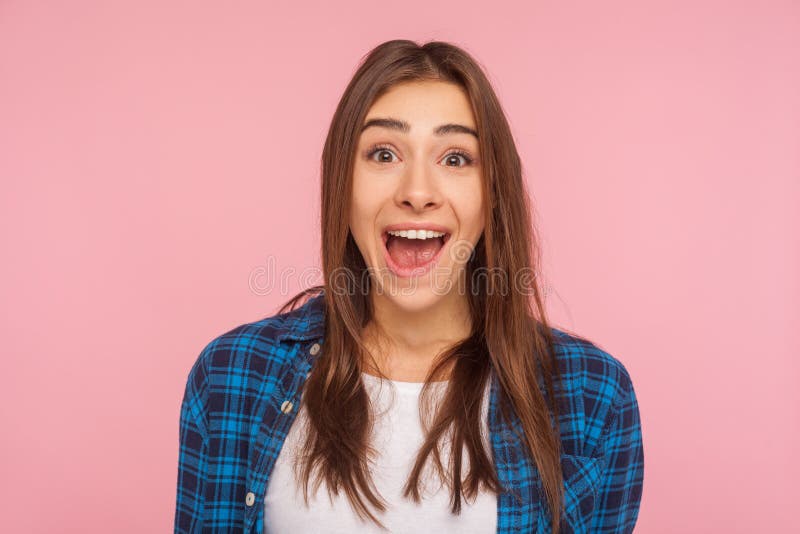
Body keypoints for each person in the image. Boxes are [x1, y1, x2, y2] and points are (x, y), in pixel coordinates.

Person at [174, 39, 644, 534]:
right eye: (383, 153)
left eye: (456, 158)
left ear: (492, 194)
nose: (417, 193)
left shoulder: (592, 395)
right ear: (342, 182)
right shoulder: (232, 375)